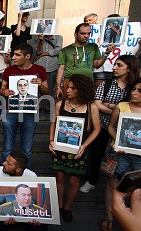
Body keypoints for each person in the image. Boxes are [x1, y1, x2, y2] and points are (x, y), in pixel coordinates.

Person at [49, 74, 101, 223]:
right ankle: (59, 205)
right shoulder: (61, 104)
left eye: (72, 88)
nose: (68, 90)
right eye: (67, 86)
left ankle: (68, 208)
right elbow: (53, 123)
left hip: (78, 149)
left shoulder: (92, 107)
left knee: (73, 180)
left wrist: (84, 146)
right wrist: (51, 140)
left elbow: (97, 129)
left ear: (82, 90)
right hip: (59, 147)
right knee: (59, 177)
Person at [0, 44, 49, 168]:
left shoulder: (40, 70)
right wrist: (4, 92)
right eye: (13, 54)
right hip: (11, 111)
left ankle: (26, 176)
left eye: (17, 55)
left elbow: (46, 92)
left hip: (30, 112)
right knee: (7, 148)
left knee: (27, 149)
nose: (13, 57)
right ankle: (3, 177)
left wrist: (40, 85)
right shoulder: (9, 70)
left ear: (27, 56)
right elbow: (2, 89)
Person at [103, 78, 141, 231]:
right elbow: (111, 127)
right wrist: (117, 141)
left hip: (139, 156)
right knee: (113, 185)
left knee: (137, 189)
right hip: (120, 153)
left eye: (139, 91)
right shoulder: (122, 106)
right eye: (133, 89)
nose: (134, 93)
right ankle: (109, 218)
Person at [55, 23, 114, 99]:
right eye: (83, 33)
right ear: (75, 35)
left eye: (88, 33)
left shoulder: (93, 47)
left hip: (87, 83)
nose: (86, 36)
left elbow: (97, 65)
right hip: (70, 83)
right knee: (68, 107)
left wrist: (106, 54)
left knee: (87, 107)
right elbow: (61, 69)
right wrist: (58, 87)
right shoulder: (65, 50)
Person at [30, 33, 62, 112]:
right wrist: (41, 40)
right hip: (39, 66)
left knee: (50, 87)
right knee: (36, 86)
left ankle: (47, 106)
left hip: (52, 66)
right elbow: (37, 52)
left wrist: (43, 54)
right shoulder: (35, 37)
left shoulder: (58, 37)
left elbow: (57, 51)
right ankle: (37, 106)